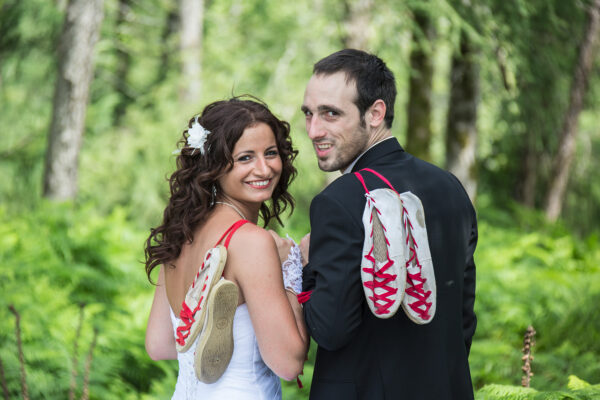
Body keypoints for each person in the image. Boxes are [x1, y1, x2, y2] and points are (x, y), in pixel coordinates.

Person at [297, 49, 477, 399]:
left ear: (375, 113)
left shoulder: (339, 201)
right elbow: (462, 319)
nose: (314, 130)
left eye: (330, 114)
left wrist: (306, 265)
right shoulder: (450, 187)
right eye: (309, 114)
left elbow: (330, 330)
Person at [144, 97, 309, 399]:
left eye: (270, 153)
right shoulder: (251, 241)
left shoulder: (181, 232)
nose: (264, 168)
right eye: (245, 157)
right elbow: (288, 363)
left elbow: (161, 345)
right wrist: (291, 271)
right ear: (214, 165)